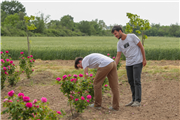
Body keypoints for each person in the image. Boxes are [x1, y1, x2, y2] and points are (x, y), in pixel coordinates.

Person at [111, 25, 146, 107]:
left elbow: (141, 47)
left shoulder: (132, 37)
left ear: (120, 31)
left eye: (116, 33)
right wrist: (114, 67)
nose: (115, 36)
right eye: (114, 34)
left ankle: (138, 101)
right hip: (129, 63)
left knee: (136, 80)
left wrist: (144, 59)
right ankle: (133, 99)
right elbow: (118, 56)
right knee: (131, 81)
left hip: (137, 61)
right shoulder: (119, 43)